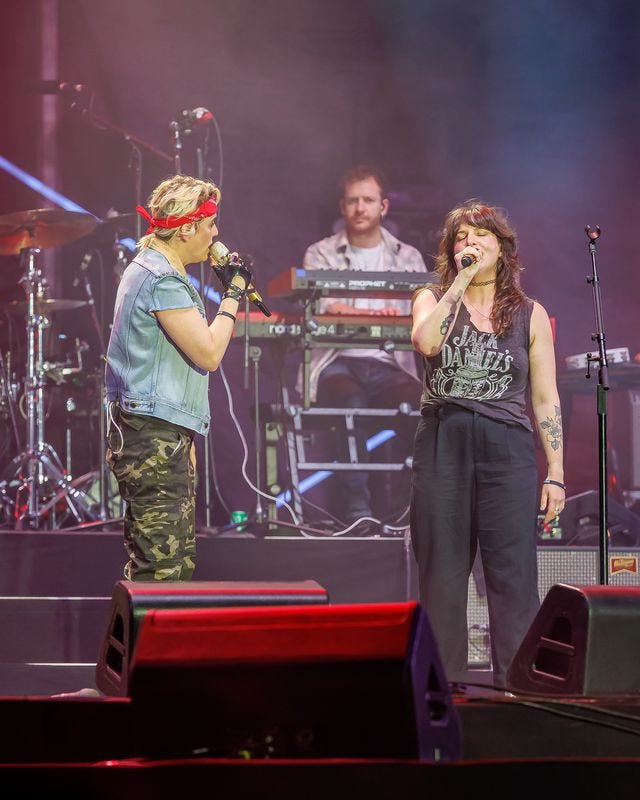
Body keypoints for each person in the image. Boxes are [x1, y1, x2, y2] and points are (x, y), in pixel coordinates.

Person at [410, 200, 565, 686]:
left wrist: (556, 471)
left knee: (513, 579)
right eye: (460, 237)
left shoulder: (530, 314)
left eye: (480, 235)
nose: (469, 244)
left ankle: (519, 694)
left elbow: (544, 398)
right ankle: (443, 691)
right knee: (443, 577)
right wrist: (457, 284)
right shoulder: (431, 296)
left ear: (502, 247)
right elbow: (427, 343)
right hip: (444, 442)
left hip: (508, 451)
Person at [105, 174, 251, 581]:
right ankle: (145, 645)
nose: (215, 233)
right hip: (150, 437)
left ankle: (149, 643)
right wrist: (234, 294)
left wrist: (184, 437)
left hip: (162, 433)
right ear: (187, 228)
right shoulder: (161, 279)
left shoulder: (160, 271)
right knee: (162, 572)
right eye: (210, 225)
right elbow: (208, 353)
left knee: (173, 567)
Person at [299, 166, 429, 529]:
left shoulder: (409, 257)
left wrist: (352, 310)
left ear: (384, 206)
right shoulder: (319, 253)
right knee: (349, 403)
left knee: (425, 410)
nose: (360, 208)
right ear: (342, 206)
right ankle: (358, 511)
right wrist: (366, 311)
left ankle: (404, 509)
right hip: (336, 361)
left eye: (368, 200)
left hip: (391, 364)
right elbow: (323, 309)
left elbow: (425, 312)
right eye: (353, 200)